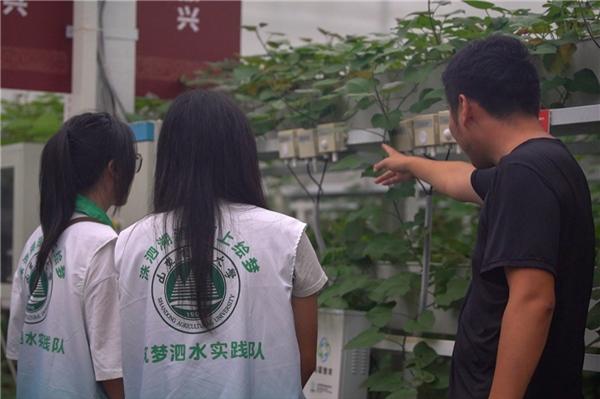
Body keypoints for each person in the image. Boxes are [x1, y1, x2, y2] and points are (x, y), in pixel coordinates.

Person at [374, 35, 595, 399]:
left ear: (464, 108)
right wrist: (411, 163)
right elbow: (466, 181)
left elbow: (534, 300)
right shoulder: (546, 164)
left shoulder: (524, 175)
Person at [115, 89, 327, 399]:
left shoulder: (129, 244)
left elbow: (116, 360)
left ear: (169, 157)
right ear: (242, 153)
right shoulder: (287, 237)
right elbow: (304, 361)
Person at [6, 112, 138, 398]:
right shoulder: (103, 247)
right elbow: (113, 371)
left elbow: (18, 348)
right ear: (114, 169)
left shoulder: (38, 238)